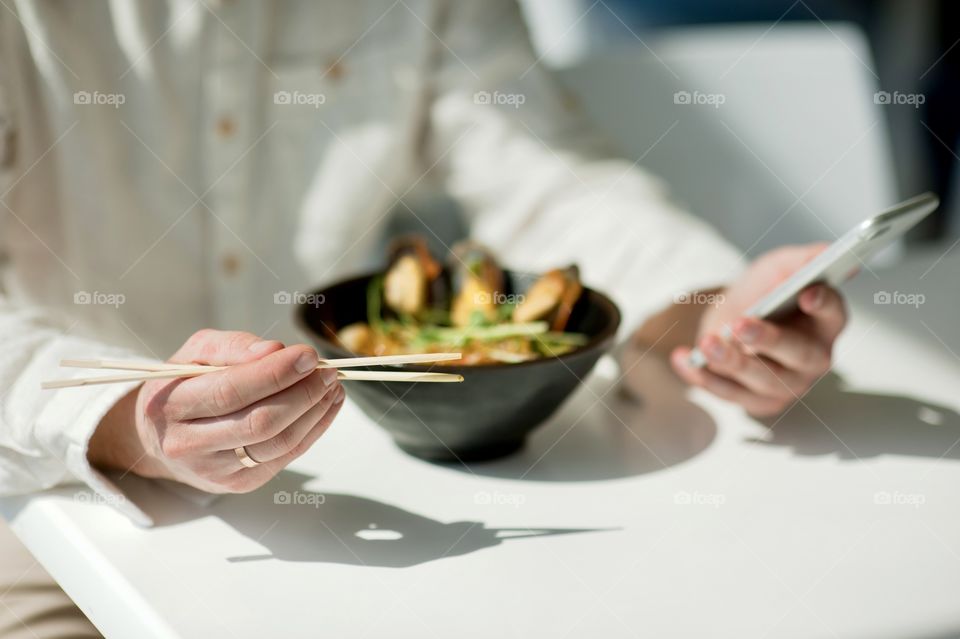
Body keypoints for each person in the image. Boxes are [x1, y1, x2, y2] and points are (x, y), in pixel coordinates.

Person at [0, 1, 846, 636]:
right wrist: (120, 424)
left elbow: (547, 174)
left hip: (373, 511)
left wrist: (716, 307)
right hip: (48, 514)